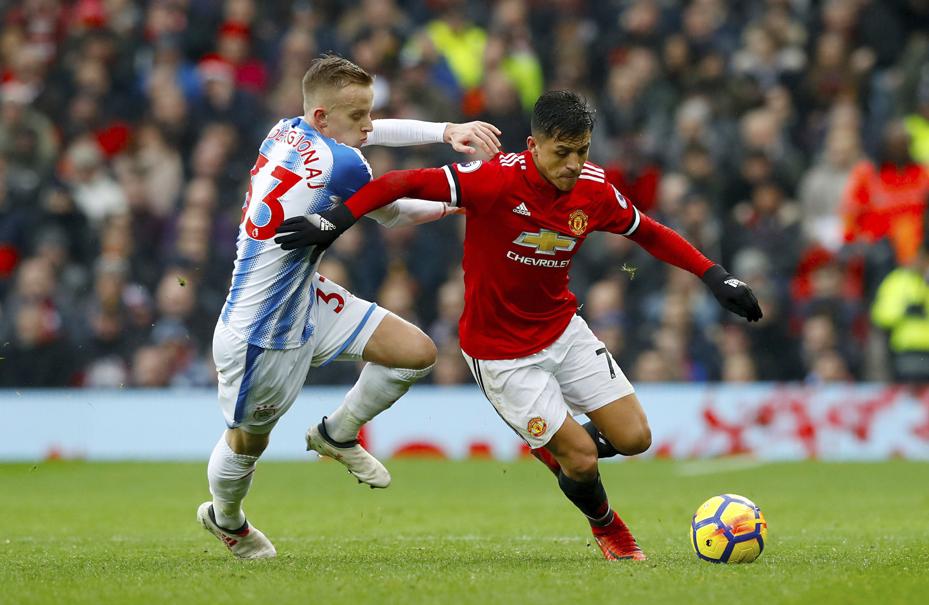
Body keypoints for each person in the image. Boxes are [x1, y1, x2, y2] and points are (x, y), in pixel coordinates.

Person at [276, 91, 762, 561]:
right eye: (562, 152)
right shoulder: (494, 180)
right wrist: (333, 221)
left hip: (562, 330)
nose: (573, 163)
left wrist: (715, 276)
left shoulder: (593, 189)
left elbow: (648, 232)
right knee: (582, 460)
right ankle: (607, 525)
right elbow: (397, 182)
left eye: (582, 151)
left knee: (635, 438)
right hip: (499, 353)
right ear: (534, 147)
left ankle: (555, 447)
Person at [198, 55, 502, 559]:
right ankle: (226, 518)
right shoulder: (344, 165)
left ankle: (335, 434)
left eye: (369, 113)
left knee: (417, 352)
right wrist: (467, 194)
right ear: (323, 117)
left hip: (306, 294)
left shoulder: (285, 129)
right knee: (247, 444)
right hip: (260, 331)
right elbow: (396, 214)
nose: (368, 125)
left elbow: (372, 133)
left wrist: (447, 129)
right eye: (358, 116)